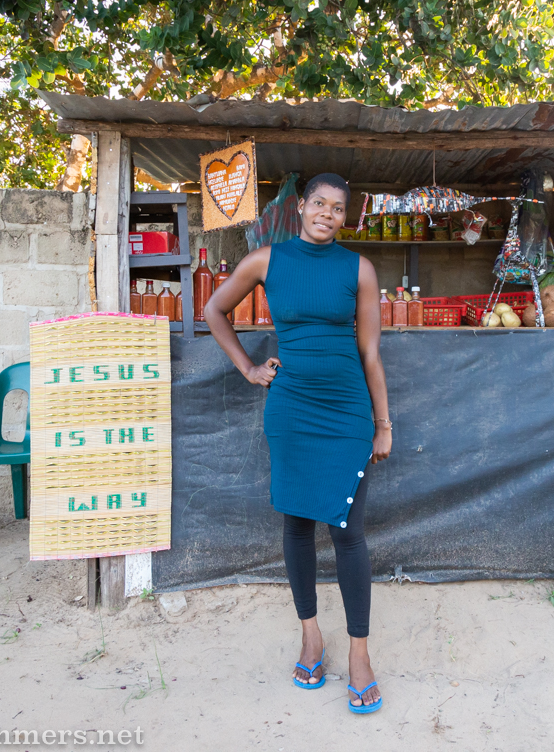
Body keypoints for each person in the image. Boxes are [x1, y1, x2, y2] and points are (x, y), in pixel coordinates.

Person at [204, 173, 391, 715]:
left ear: (344, 216)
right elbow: (215, 310)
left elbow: (371, 355)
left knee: (348, 530)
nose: (327, 214)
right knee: (297, 525)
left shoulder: (359, 269)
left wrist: (383, 424)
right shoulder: (267, 260)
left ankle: (360, 654)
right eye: (319, 204)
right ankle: (311, 636)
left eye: (338, 208)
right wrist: (247, 368)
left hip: (346, 410)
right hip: (291, 409)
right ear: (302, 207)